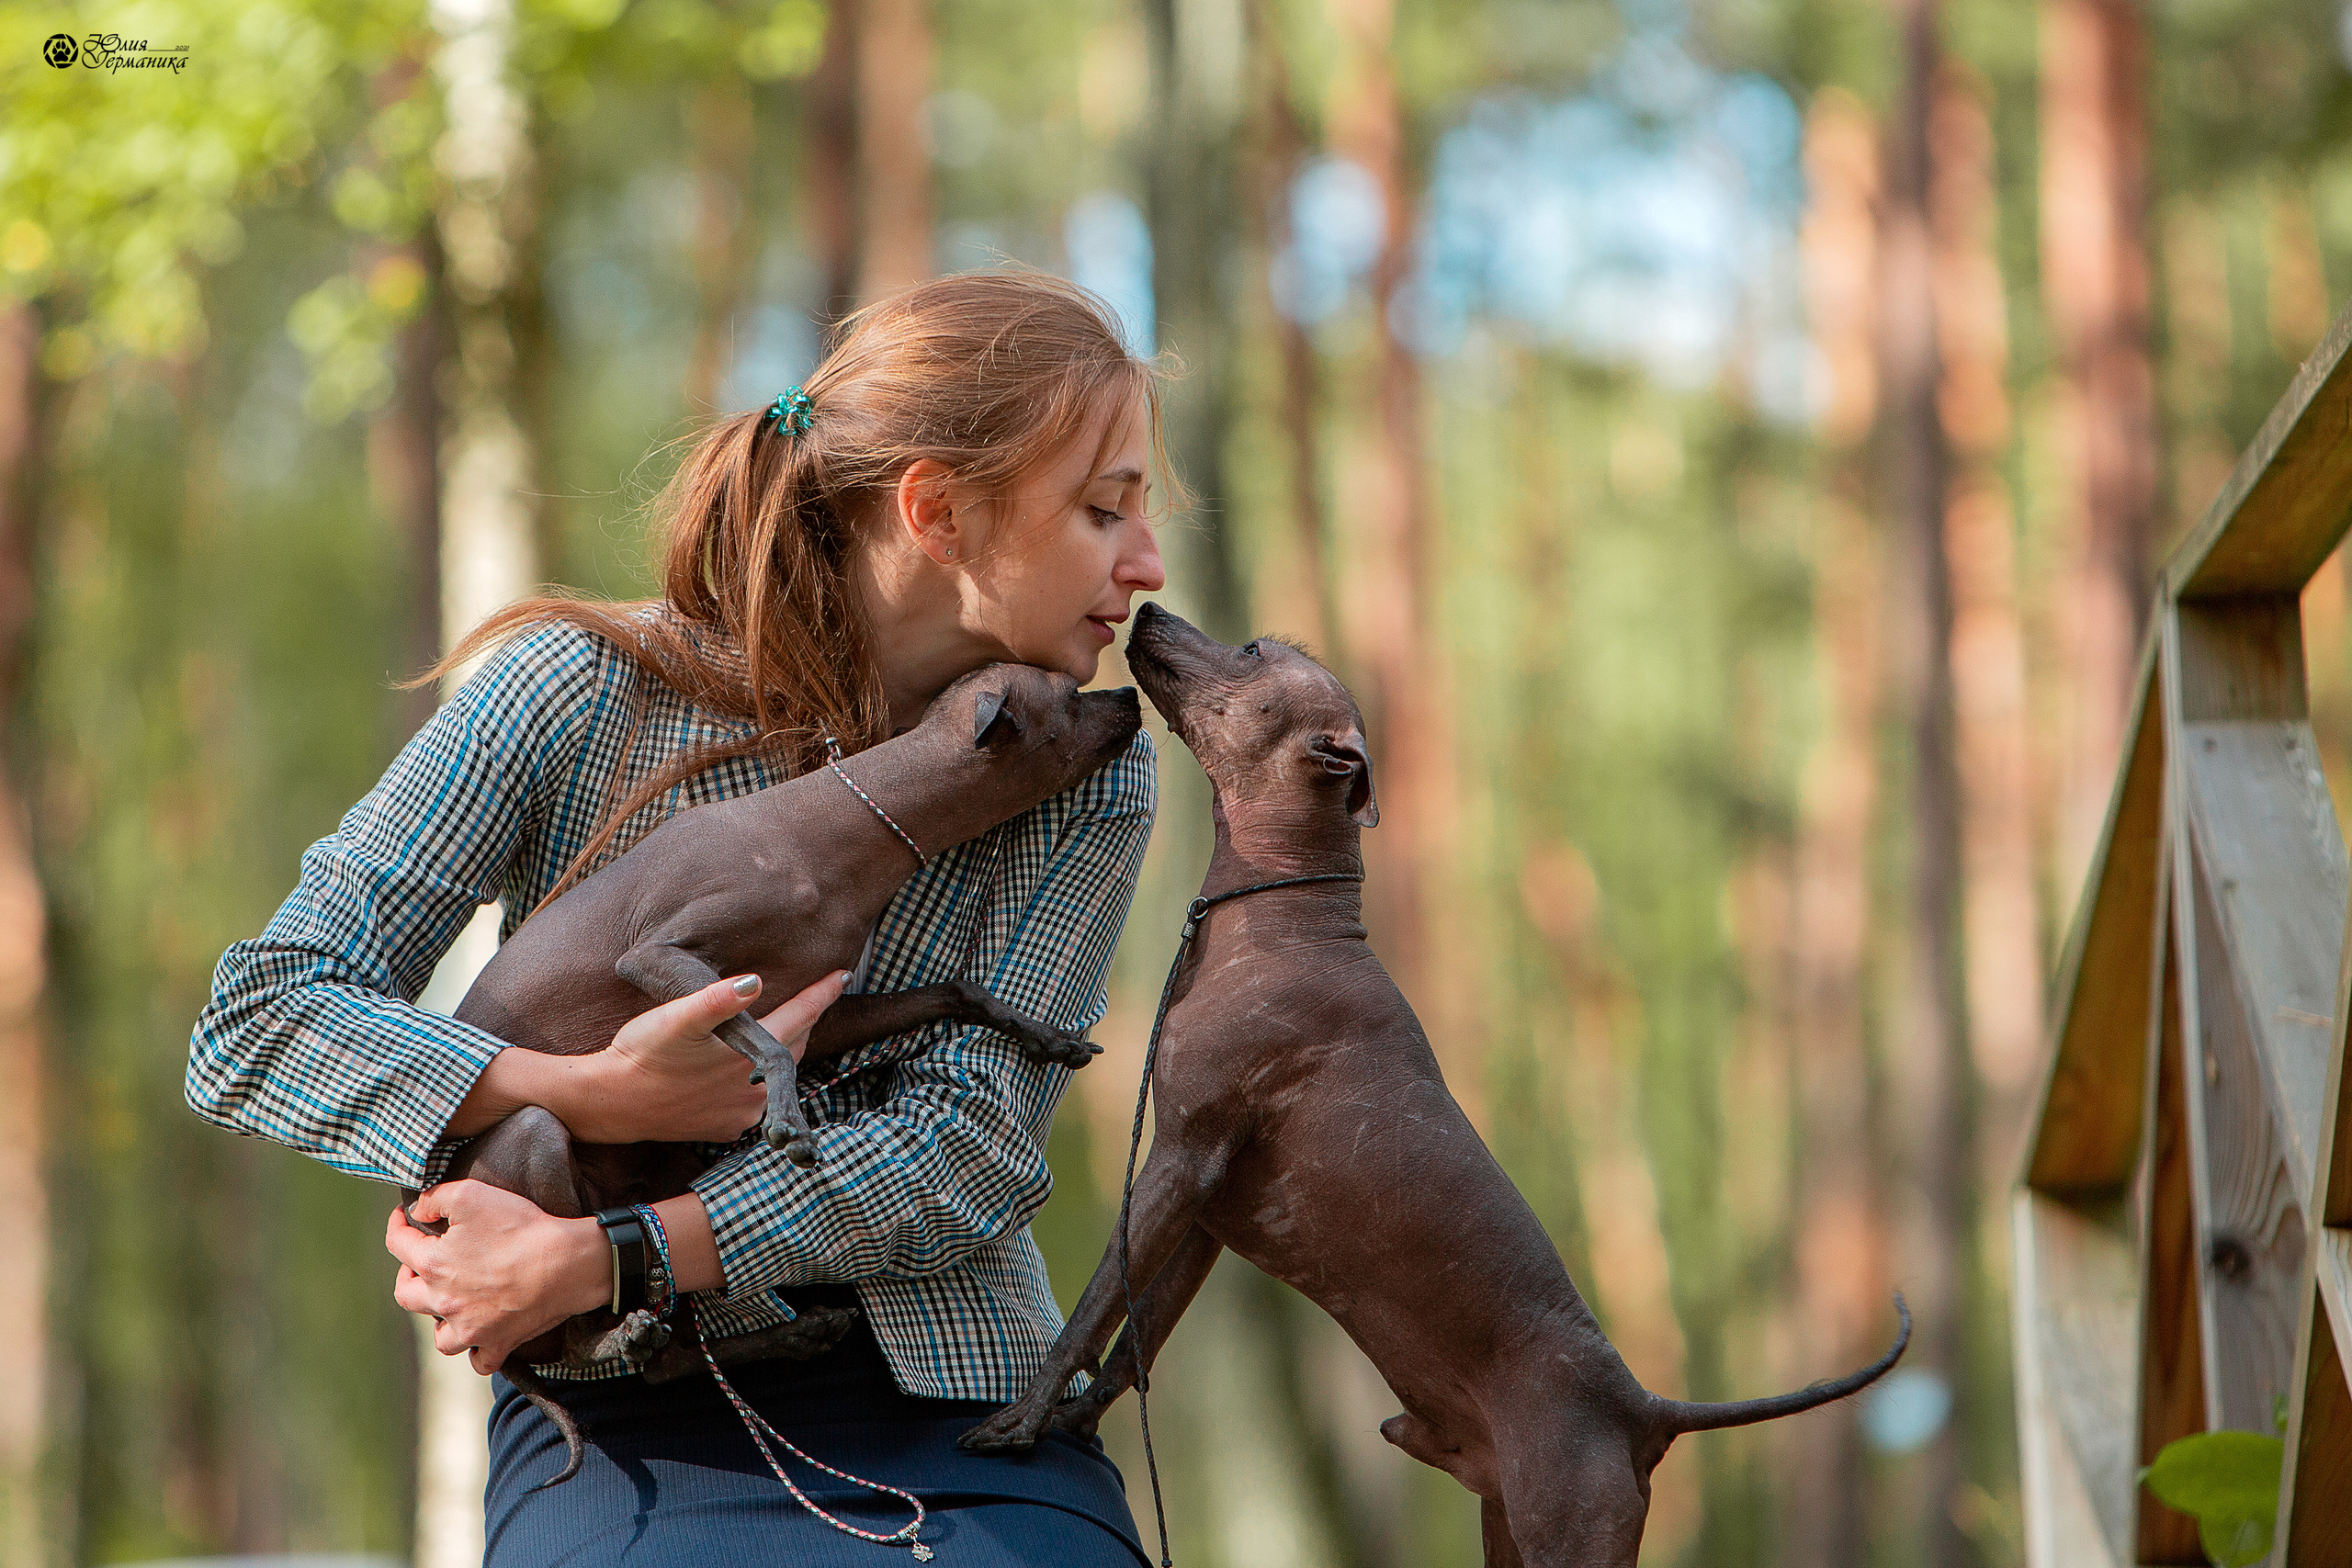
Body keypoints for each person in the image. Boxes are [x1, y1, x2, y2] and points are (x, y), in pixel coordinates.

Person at [187, 271, 1170, 1566]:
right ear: (937, 511)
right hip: (627, 1425)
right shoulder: (577, 690)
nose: (1147, 566)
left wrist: (619, 1254)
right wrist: (581, 1095)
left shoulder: (1078, 764)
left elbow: (970, 1148)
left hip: (958, 1396)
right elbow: (258, 1020)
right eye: (1104, 512)